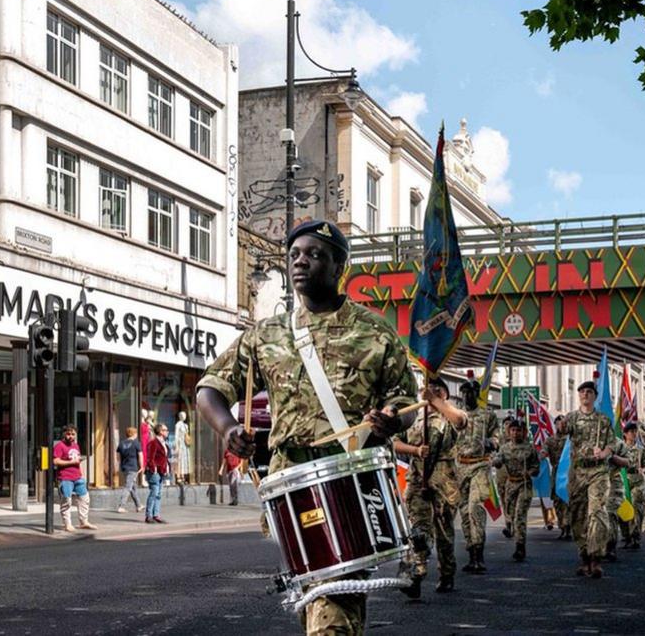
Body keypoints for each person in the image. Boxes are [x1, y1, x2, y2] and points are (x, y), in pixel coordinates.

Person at [195, 220, 415, 635]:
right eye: (294, 254)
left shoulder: (374, 332)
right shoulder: (266, 334)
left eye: (314, 255)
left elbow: (406, 402)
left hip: (350, 480)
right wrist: (227, 429)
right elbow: (209, 389)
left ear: (338, 267)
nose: (300, 262)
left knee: (332, 602)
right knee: (317, 598)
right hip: (290, 484)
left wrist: (391, 419)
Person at [395, 378, 466, 595]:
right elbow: (395, 442)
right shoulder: (414, 415)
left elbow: (461, 421)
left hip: (444, 482)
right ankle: (416, 574)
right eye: (427, 389)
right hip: (417, 479)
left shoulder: (450, 414)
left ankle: (447, 574)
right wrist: (415, 451)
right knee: (418, 529)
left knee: (444, 532)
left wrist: (435, 401)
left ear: (444, 393)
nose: (430, 392)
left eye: (437, 390)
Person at [565, 381, 616, 579]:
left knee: (596, 513)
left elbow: (611, 443)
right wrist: (560, 427)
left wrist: (603, 453)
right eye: (582, 392)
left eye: (589, 392)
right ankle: (584, 556)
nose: (585, 395)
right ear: (579, 395)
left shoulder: (603, 420)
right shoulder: (572, 418)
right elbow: (563, 430)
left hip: (598, 472)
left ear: (595, 396)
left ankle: (596, 559)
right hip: (578, 472)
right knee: (577, 515)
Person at [453, 377, 500, 574]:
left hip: (480, 465)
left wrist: (492, 442)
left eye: (470, 392)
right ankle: (471, 552)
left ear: (476, 394)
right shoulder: (455, 416)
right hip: (460, 467)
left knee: (475, 508)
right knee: (464, 513)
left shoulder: (487, 415)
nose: (466, 396)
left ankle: (479, 555)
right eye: (463, 393)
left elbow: (498, 436)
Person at [493, 418, 540, 561]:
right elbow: (498, 462)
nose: (515, 433)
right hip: (510, 485)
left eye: (518, 430)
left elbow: (536, 468)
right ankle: (514, 533)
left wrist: (530, 472)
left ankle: (520, 546)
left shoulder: (529, 448)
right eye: (513, 430)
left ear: (523, 432)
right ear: (508, 432)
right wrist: (495, 461)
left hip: (524, 485)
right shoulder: (504, 448)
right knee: (511, 515)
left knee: (520, 515)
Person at [53, 425, 97, 532]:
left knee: (84, 499)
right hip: (65, 478)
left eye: (73, 434)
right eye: (68, 434)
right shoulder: (59, 446)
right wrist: (71, 462)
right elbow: (55, 461)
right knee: (66, 501)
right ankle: (67, 524)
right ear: (64, 434)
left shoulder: (76, 445)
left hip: (77, 477)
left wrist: (78, 461)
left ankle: (84, 521)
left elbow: (75, 459)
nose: (70, 436)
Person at [545, 416, 571, 540]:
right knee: (557, 501)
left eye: (563, 423)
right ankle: (562, 527)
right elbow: (544, 451)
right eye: (558, 423)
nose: (560, 425)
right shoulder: (550, 440)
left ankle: (568, 527)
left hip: (568, 472)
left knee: (567, 500)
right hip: (556, 473)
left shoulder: (571, 440)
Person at [145, 423, 170, 524]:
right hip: (154, 472)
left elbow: (164, 458)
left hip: (161, 472)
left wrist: (167, 468)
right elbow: (150, 458)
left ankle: (156, 515)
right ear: (160, 431)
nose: (167, 432)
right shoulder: (154, 443)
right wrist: (154, 469)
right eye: (165, 430)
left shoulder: (164, 443)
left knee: (158, 494)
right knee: (154, 493)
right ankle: (149, 516)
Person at [115, 426, 144, 513]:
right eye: (136, 433)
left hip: (125, 467)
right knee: (128, 487)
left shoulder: (121, 443)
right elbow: (140, 455)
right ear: (134, 434)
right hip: (133, 467)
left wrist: (121, 464)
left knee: (132, 486)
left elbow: (117, 457)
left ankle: (139, 505)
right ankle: (121, 506)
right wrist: (142, 466)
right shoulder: (136, 443)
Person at [175, 411, 191, 485]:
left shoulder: (186, 425)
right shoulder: (178, 424)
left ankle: (183, 476)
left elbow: (187, 435)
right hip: (180, 444)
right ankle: (179, 477)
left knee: (185, 460)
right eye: (182, 415)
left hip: (185, 445)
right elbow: (176, 435)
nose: (184, 416)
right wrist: (176, 445)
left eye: (185, 415)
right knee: (180, 460)